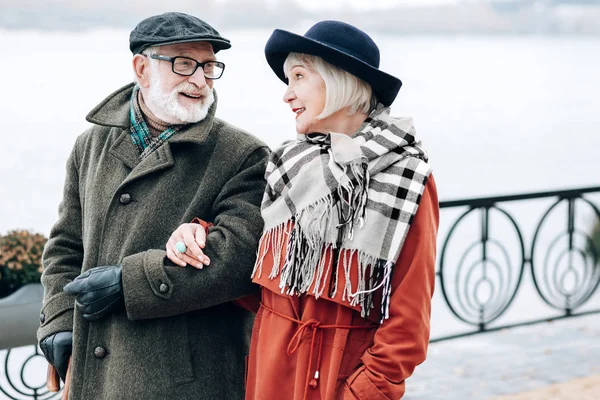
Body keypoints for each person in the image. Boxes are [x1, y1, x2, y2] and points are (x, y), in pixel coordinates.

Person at [167, 20, 439, 400]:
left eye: (298, 77)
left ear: (340, 80)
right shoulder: (289, 165)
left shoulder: (407, 177)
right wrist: (198, 235)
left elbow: (408, 325)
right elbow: (264, 282)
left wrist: (362, 393)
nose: (287, 95)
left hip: (337, 381)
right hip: (269, 371)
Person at [37, 12, 269, 400]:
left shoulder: (243, 154)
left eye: (209, 66)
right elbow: (65, 246)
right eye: (183, 64)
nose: (200, 80)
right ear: (142, 69)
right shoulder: (90, 145)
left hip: (189, 386)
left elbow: (241, 259)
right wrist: (59, 320)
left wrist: (127, 282)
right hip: (93, 381)